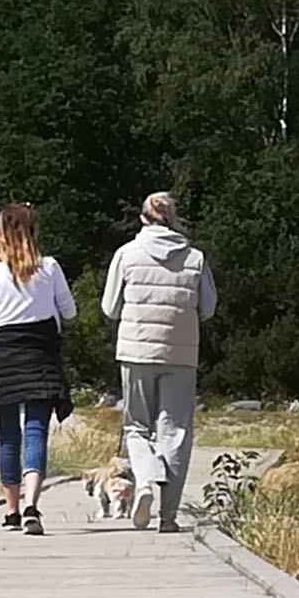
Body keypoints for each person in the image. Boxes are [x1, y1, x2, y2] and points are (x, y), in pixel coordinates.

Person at [102, 191, 217, 532]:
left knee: (136, 426)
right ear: (173, 218)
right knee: (175, 431)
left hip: (136, 352)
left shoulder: (126, 254)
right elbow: (208, 307)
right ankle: (168, 517)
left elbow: (110, 307)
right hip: (181, 354)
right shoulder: (195, 257)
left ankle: (147, 482)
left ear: (142, 218)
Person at [0, 204, 78, 536]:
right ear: (34, 233)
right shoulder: (50, 268)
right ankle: (33, 504)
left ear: (2, 235)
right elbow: (70, 312)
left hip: (2, 356)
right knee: (36, 431)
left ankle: (11, 511)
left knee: (8, 436)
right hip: (40, 353)